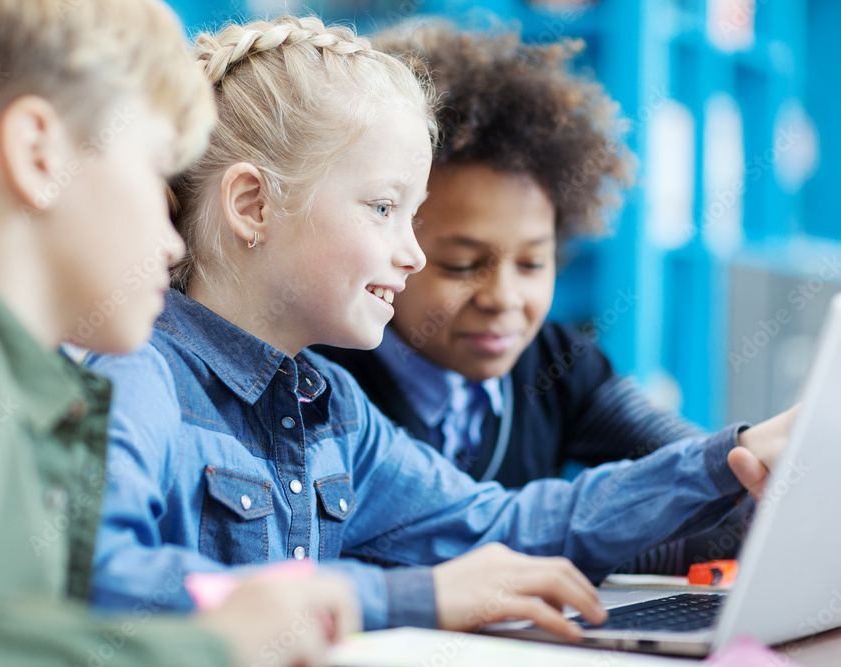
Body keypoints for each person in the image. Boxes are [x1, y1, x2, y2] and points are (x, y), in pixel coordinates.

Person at [84, 14, 793, 641]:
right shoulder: (133, 377)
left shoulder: (333, 413)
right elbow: (98, 579)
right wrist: (406, 596)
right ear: (253, 205)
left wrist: (727, 456)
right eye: (385, 207)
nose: (413, 254)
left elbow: (504, 528)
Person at [0, 1, 358, 665]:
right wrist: (208, 646)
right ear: (38, 154)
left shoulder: (36, 388)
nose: (173, 245)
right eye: (157, 178)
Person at [316, 22, 751, 575]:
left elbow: (703, 474)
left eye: (532, 263)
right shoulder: (327, 378)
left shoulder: (560, 366)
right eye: (463, 265)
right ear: (392, 243)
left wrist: (752, 471)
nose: (504, 298)